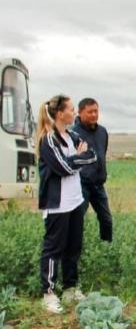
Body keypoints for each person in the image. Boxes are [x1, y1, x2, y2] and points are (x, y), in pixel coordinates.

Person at [36, 94, 97, 314]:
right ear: (60, 113)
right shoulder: (48, 139)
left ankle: (70, 288)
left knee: (73, 247)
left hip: (75, 201)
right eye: (71, 109)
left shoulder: (72, 136)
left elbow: (92, 156)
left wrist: (76, 159)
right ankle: (49, 294)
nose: (74, 112)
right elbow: (63, 168)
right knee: (54, 248)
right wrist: (77, 159)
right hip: (57, 203)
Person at [72, 97, 113, 242]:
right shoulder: (73, 133)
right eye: (90, 112)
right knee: (77, 220)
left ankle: (105, 248)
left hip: (98, 184)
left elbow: (102, 153)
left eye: (96, 111)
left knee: (106, 220)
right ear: (80, 113)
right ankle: (74, 251)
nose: (94, 115)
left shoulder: (102, 132)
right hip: (81, 184)